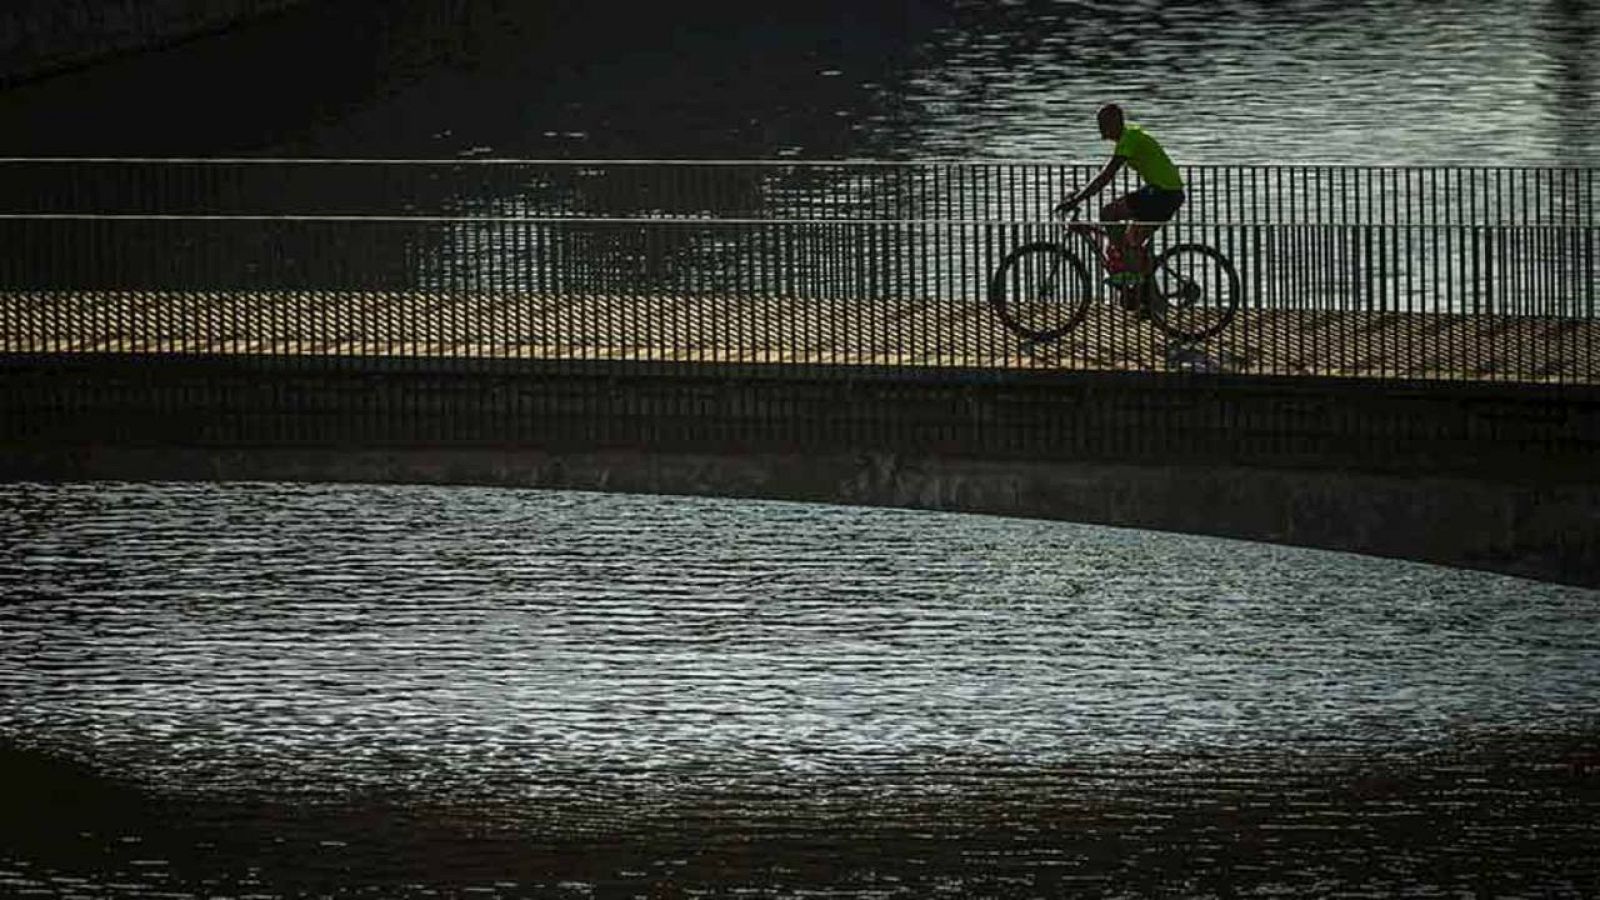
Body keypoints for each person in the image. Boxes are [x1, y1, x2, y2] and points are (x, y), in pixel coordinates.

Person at [1055, 103, 1185, 299]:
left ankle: (1126, 272)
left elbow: (1106, 175)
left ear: (1116, 123)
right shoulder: (1129, 137)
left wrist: (1077, 199)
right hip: (1166, 192)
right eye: (1099, 123)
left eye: (1103, 123)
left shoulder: (1129, 139)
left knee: (1109, 213)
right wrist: (1079, 195)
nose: (1100, 128)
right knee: (1132, 243)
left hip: (1162, 193)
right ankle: (1146, 297)